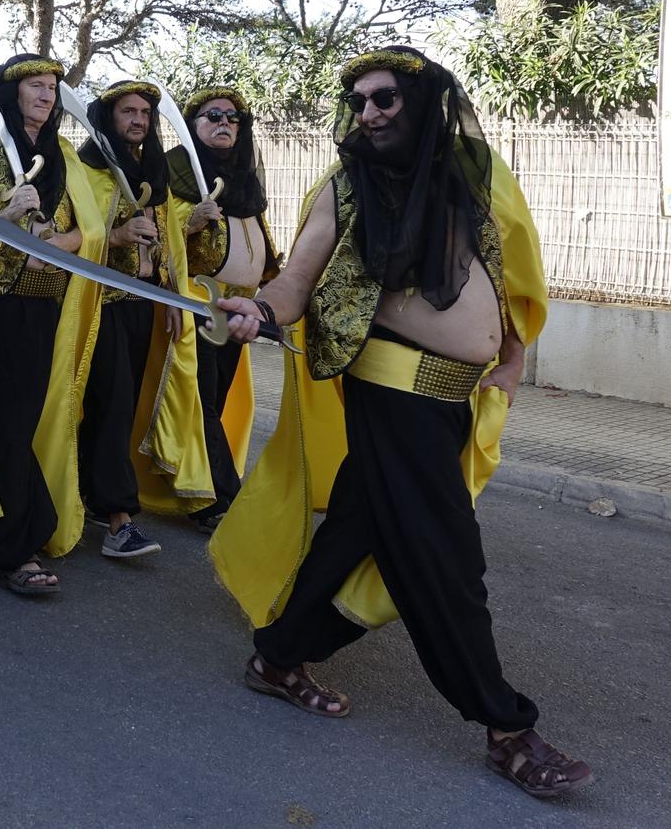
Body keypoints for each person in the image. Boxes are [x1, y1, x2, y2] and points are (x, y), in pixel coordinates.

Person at [210, 46, 588, 798]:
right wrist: (259, 309)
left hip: (454, 400)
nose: (369, 114)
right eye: (359, 102)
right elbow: (297, 279)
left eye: (384, 100)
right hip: (394, 397)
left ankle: (278, 655)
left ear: (420, 103)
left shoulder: (469, 179)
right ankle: (506, 728)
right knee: (444, 564)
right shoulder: (344, 190)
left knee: (359, 533)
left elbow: (506, 273)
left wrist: (510, 359)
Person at [0, 53, 105, 596]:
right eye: (35, 86)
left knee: (31, 421)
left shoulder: (64, 158)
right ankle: (14, 545)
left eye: (52, 87)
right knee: (7, 425)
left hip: (51, 307)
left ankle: (24, 527)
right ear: (11, 95)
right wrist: (6, 217)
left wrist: (61, 243)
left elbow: (90, 234)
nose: (46, 95)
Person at [71, 79, 210, 559]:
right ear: (109, 117)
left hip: (143, 304)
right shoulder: (86, 169)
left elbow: (170, 240)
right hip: (100, 302)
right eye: (128, 112)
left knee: (123, 408)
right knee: (111, 404)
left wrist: (172, 297)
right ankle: (119, 519)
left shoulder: (153, 170)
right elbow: (74, 236)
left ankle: (92, 492)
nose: (138, 120)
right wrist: (115, 235)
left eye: (145, 114)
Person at [160, 86, 280, 533]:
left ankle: (211, 485)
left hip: (239, 308)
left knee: (217, 396)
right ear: (193, 125)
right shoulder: (176, 175)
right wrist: (189, 223)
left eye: (232, 117)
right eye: (212, 116)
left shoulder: (243, 181)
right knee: (202, 399)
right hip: (195, 303)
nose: (224, 122)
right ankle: (216, 498)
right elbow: (157, 242)